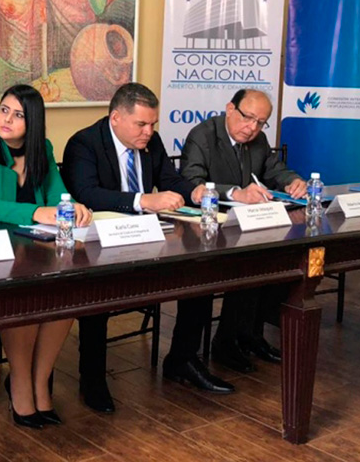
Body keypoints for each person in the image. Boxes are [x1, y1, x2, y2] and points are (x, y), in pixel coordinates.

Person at [62, 83, 234, 411]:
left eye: (153, 124)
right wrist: (143, 200)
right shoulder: (84, 144)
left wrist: (194, 191)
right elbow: (87, 193)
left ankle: (183, 359)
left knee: (199, 271)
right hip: (102, 242)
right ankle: (92, 377)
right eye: (141, 124)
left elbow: (169, 180)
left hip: (149, 235)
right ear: (115, 118)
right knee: (97, 289)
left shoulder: (150, 142)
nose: (149, 132)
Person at [0, 84, 91, 429]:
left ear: (34, 123)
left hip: (32, 249)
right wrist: (37, 212)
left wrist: (71, 207)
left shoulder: (42, 149)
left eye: (18, 115)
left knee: (68, 292)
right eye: (4, 110)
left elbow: (58, 195)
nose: (7, 119)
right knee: (26, 295)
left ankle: (40, 380)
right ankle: (20, 382)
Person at [180, 89, 303, 372]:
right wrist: (236, 193)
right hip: (209, 227)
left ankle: (248, 336)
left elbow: (275, 169)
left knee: (278, 262)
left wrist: (293, 181)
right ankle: (225, 343)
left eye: (261, 122)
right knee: (243, 266)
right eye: (248, 118)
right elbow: (191, 182)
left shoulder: (257, 140)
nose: (253, 128)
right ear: (230, 109)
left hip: (248, 225)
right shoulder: (203, 135)